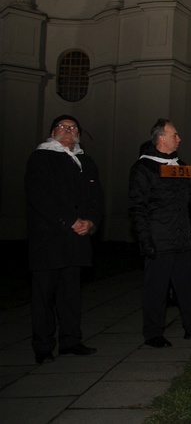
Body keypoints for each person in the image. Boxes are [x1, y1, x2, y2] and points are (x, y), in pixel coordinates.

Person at [128, 119, 191, 348]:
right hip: (159, 239)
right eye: (175, 135)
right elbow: (138, 207)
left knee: (187, 286)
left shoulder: (181, 167)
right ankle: (153, 333)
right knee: (156, 289)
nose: (179, 139)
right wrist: (144, 239)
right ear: (161, 138)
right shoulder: (144, 168)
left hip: (181, 238)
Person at [25, 115, 104, 364]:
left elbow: (96, 197)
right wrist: (69, 221)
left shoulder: (86, 162)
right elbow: (40, 196)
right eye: (63, 127)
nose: (68, 130)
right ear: (52, 132)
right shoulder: (40, 158)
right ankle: (44, 347)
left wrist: (90, 222)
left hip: (76, 239)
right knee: (44, 296)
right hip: (49, 239)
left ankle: (70, 341)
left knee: (71, 295)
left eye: (73, 128)